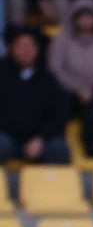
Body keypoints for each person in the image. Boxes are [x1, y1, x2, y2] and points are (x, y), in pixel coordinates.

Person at [0, 29, 70, 165]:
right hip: (7, 136)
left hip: (39, 140)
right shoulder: (2, 75)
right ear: (11, 49)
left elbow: (57, 116)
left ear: (38, 49)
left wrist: (41, 139)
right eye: (21, 46)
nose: (26, 51)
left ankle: (45, 185)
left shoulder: (48, 80)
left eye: (31, 46)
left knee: (59, 149)